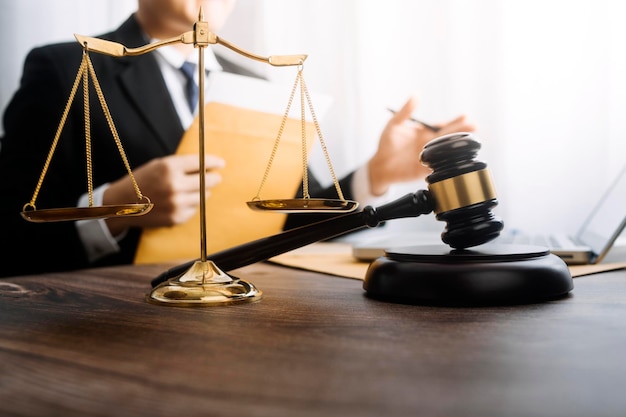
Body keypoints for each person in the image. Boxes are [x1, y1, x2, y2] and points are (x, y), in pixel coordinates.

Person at [0, 0, 475, 278]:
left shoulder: (259, 85)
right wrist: (114, 208)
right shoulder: (63, 70)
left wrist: (376, 173)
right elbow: (11, 240)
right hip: (114, 318)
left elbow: (289, 221)